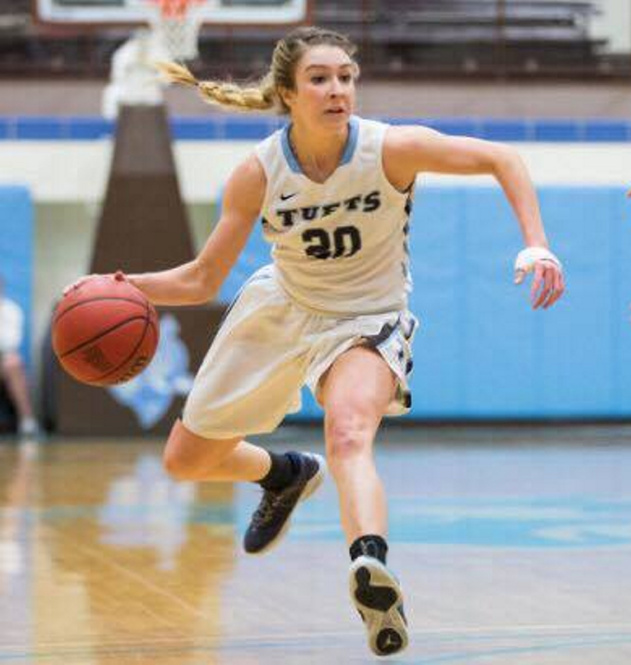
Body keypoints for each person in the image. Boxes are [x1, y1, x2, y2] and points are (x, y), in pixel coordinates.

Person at [66, 27, 565, 657]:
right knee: (185, 461)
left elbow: (502, 159)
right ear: (288, 93)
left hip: (365, 318)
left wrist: (535, 240)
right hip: (282, 308)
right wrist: (120, 285)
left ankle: (370, 567)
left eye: (347, 76)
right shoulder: (257, 173)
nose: (338, 90)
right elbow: (200, 280)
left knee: (350, 431)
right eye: (321, 79)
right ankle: (285, 474)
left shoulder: (391, 149)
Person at [0, 276, 38, 438]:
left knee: (13, 363)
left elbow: (11, 341)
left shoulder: (11, 310)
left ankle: (27, 420)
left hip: (4, 360)